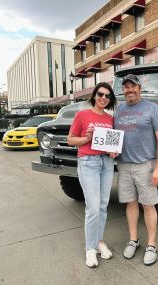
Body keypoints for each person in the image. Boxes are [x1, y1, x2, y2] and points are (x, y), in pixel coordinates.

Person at [114, 74, 158, 266]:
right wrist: (113, 151)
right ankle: (133, 240)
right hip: (124, 164)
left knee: (148, 205)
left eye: (133, 86)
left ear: (139, 87)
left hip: (146, 165)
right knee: (130, 203)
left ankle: (151, 245)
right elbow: (116, 137)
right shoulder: (119, 109)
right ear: (123, 90)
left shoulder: (152, 108)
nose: (129, 90)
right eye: (126, 87)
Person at [67, 82, 117, 268]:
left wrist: (113, 152)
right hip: (88, 162)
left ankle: (99, 242)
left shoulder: (110, 119)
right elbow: (71, 140)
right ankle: (90, 248)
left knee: (103, 205)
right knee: (93, 207)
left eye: (107, 96)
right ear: (94, 96)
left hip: (107, 163)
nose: (103, 98)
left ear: (110, 99)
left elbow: (111, 144)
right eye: (100, 94)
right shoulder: (82, 115)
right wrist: (87, 139)